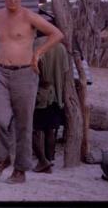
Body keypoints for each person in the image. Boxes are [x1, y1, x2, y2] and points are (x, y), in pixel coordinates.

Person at [0, 0, 63, 184]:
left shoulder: (29, 16)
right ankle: (2, 159)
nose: (13, 1)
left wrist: (38, 53)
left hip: (25, 74)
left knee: (23, 124)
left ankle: (20, 171)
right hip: (1, 72)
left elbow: (56, 34)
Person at [32, 35, 69, 173]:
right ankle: (50, 158)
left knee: (34, 129)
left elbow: (35, 68)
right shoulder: (61, 47)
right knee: (51, 130)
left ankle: (42, 161)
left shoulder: (37, 45)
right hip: (57, 96)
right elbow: (65, 71)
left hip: (41, 94)